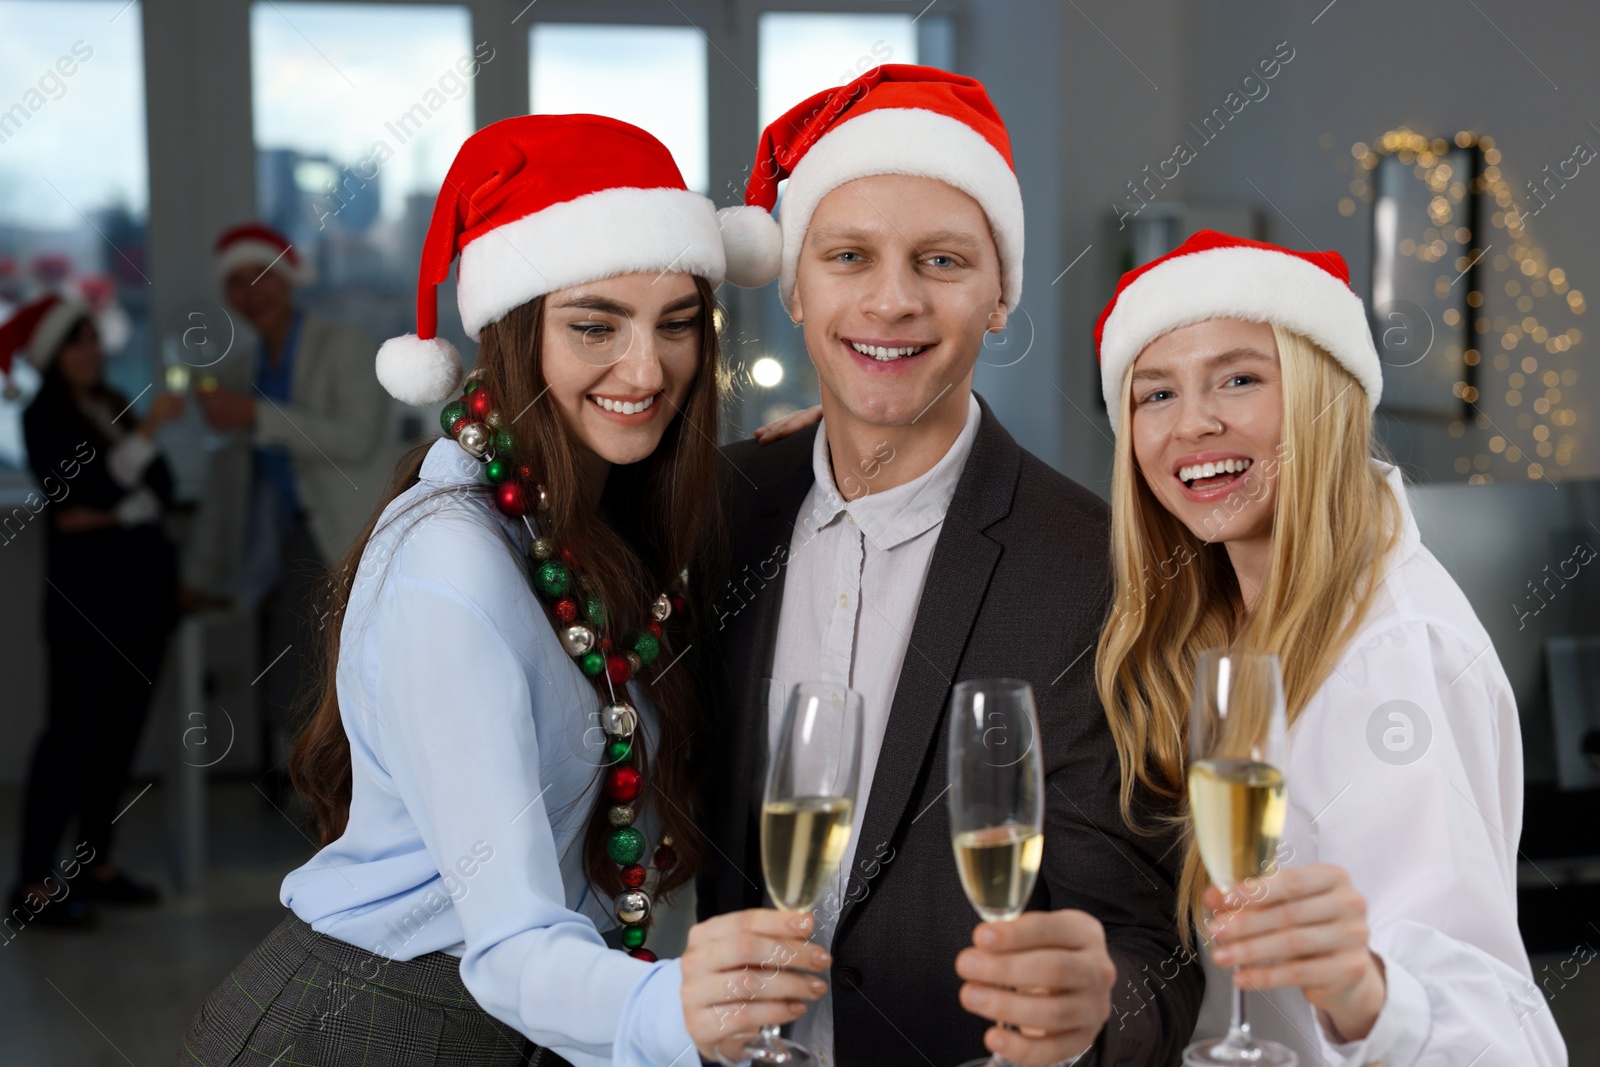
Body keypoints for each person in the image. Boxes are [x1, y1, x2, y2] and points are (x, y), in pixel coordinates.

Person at [178, 114, 836, 1067]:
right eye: (593, 325)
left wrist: (838, 448)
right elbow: (512, 944)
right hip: (367, 1031)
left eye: (678, 323)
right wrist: (681, 1007)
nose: (647, 369)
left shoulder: (584, 517)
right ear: (517, 333)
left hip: (501, 1030)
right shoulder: (455, 566)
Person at [695, 65, 1202, 1067]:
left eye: (940, 260)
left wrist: (1093, 1016)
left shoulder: (1100, 571)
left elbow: (1151, 952)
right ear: (794, 285)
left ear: (1001, 294)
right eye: (847, 256)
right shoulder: (718, 514)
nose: (892, 300)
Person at [1092, 230, 1568, 1065]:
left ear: (1323, 400)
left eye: (1239, 378)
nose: (1194, 422)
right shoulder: (1227, 617)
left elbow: (1492, 1032)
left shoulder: (1393, 649)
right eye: (1155, 394)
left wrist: (1366, 990)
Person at [189, 223, 401, 800]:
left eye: (259, 276)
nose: (250, 291)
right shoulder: (249, 363)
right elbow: (234, 473)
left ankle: (360, 806)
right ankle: (316, 797)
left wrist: (256, 416)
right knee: (295, 675)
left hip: (343, 533)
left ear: (288, 279)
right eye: (235, 282)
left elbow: (355, 440)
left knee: (353, 675)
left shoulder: (345, 343)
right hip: (280, 539)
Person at [3, 294, 182, 928]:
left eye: (91, 340)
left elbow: (160, 487)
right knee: (70, 742)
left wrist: (112, 502)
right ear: (53, 354)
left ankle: (94, 864)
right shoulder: (42, 414)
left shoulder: (109, 404)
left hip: (139, 602)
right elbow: (81, 493)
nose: (88, 352)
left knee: (116, 742)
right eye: (75, 342)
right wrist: (139, 452)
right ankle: (31, 881)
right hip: (86, 608)